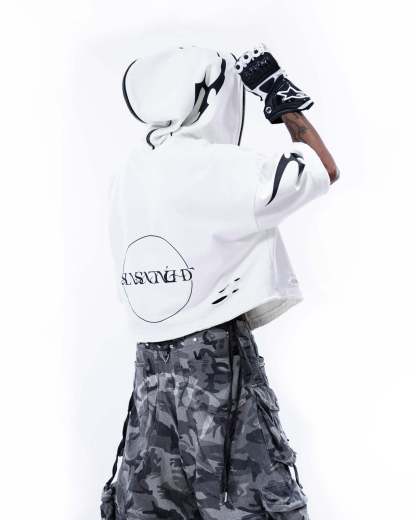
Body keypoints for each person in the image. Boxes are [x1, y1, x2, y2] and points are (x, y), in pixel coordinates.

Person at [100, 43, 339, 520]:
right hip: (214, 363)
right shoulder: (218, 167)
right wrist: (280, 97)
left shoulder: (129, 172)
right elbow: (321, 168)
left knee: (150, 505)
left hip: (150, 372)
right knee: (249, 503)